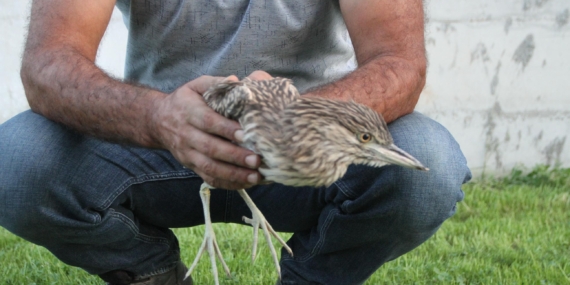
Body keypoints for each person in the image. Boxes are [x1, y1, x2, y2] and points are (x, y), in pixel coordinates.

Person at [0, 0, 471, 284]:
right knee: (15, 160)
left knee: (429, 163)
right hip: (157, 139)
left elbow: (400, 63)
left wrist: (296, 117)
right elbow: (48, 63)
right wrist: (159, 117)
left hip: (302, 148)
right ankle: (147, 272)